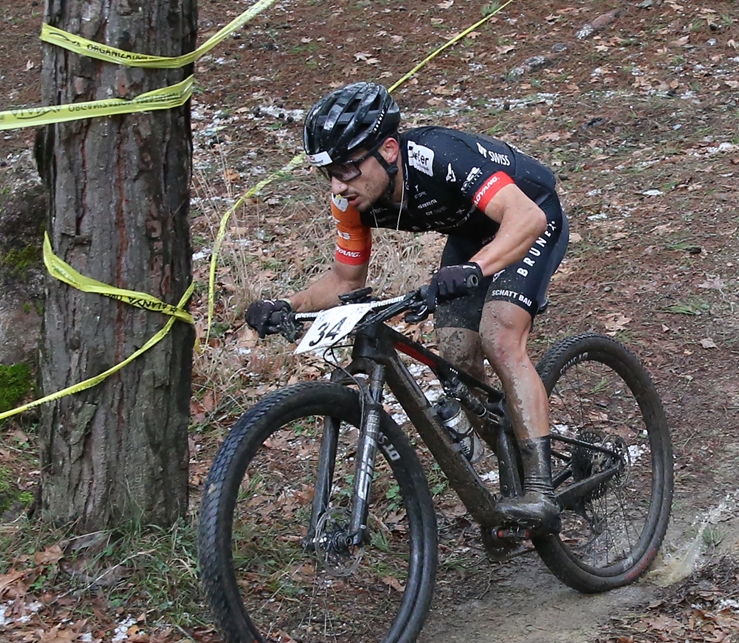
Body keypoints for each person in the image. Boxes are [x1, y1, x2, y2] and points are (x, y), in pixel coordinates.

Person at [244, 82, 569, 533]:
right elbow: (345, 281)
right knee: (457, 359)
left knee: (500, 337)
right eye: (329, 174)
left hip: (529, 215)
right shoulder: (350, 199)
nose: (338, 185)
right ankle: (510, 453)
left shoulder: (440, 157)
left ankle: (540, 491)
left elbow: (526, 219)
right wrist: (286, 303)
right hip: (473, 234)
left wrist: (474, 270)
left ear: (390, 150)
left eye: (348, 170)